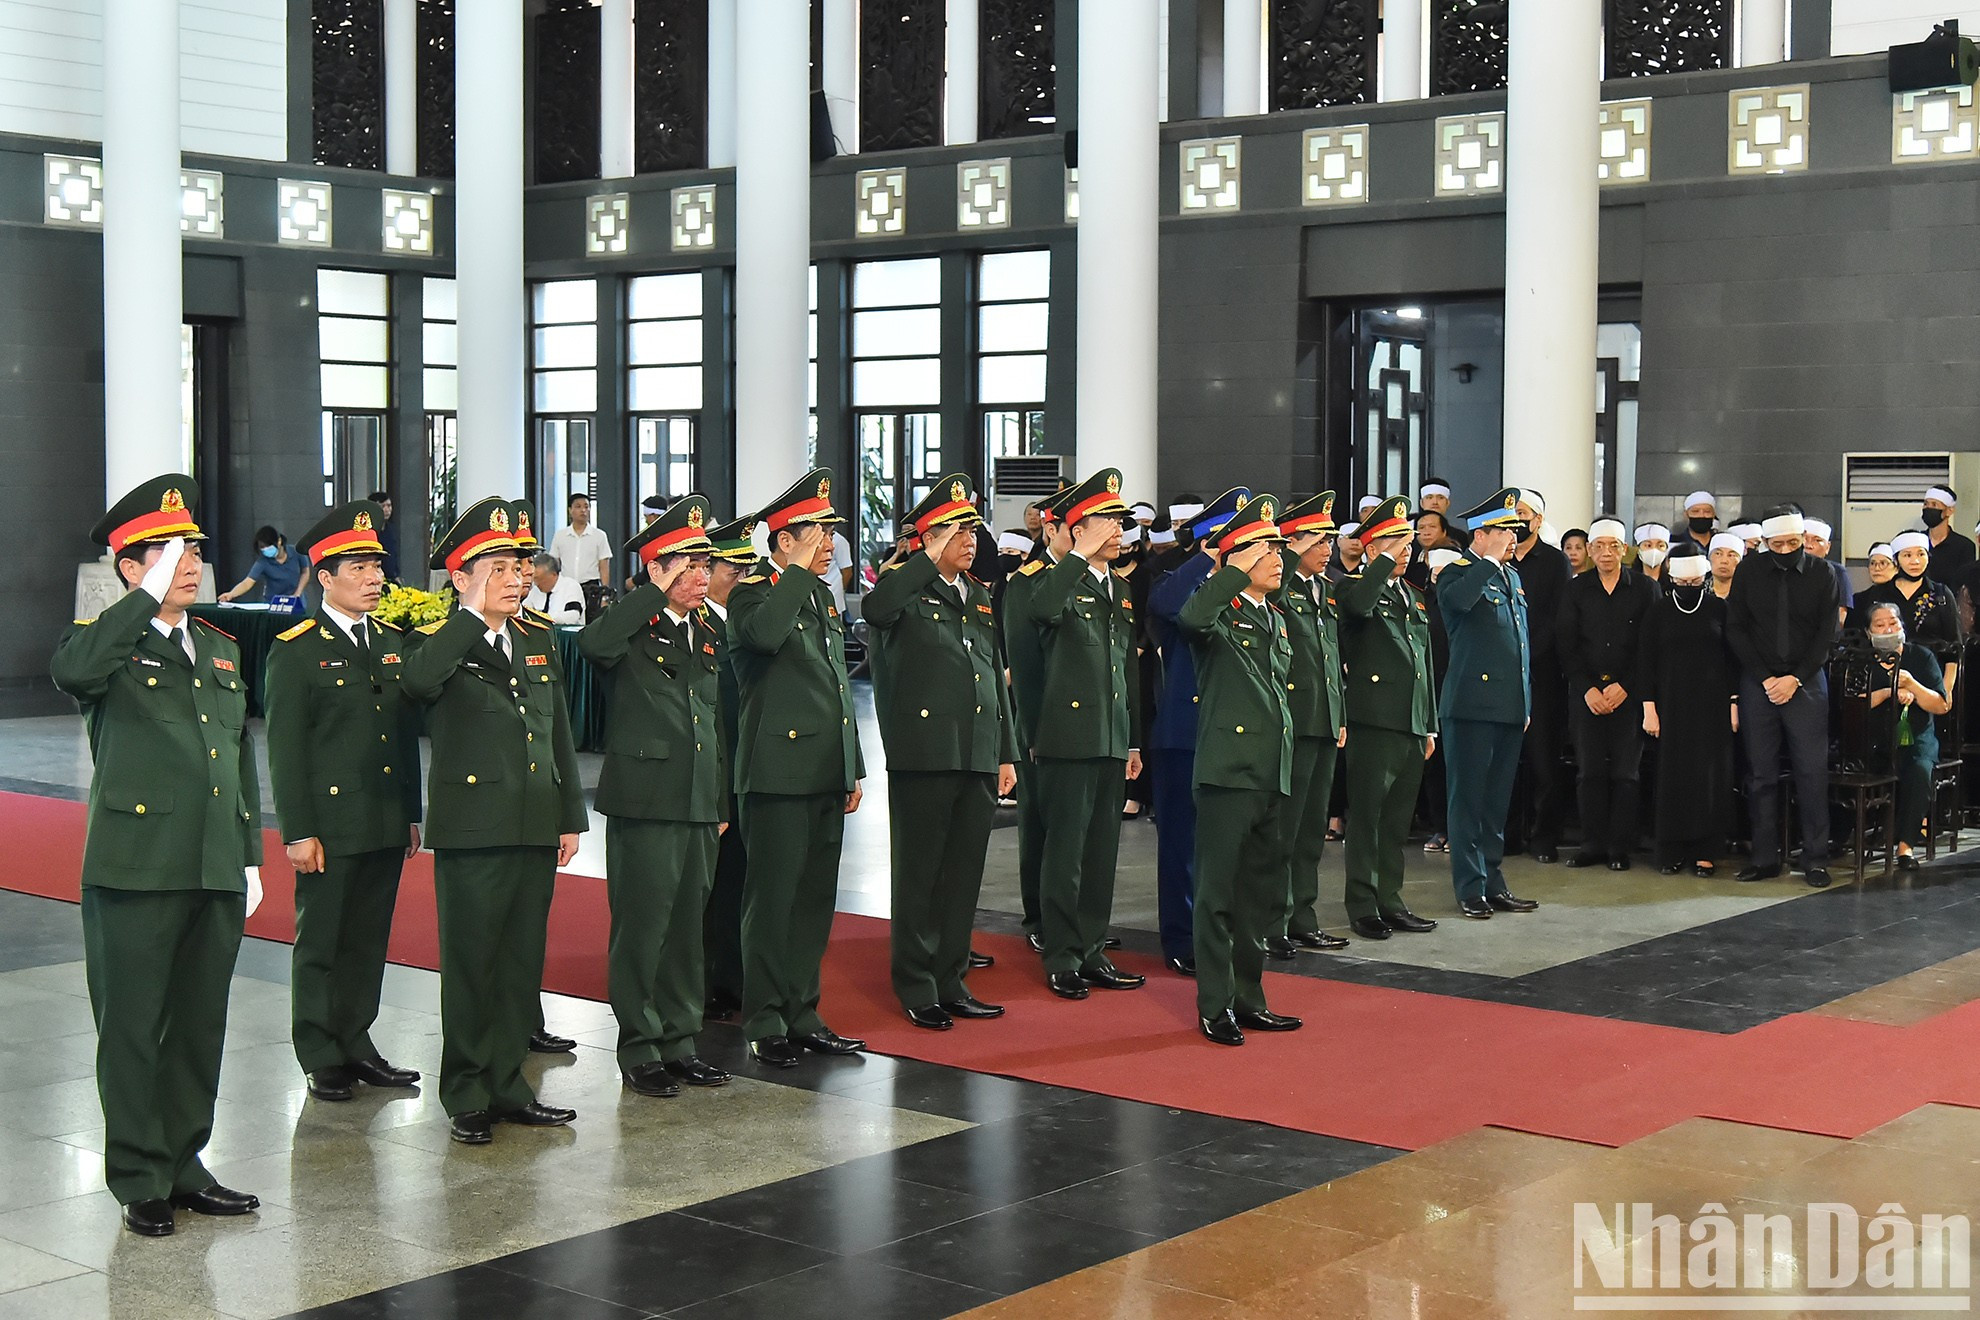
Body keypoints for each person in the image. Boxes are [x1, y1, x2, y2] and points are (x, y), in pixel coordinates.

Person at [50, 475, 263, 1238]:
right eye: (174, 553)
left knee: (198, 1024)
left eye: (197, 551)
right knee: (135, 1026)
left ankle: (185, 1161)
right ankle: (139, 1172)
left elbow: (237, 758)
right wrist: (140, 600)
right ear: (131, 568)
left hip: (212, 865)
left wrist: (248, 853)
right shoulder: (105, 643)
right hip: (136, 867)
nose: (193, 565)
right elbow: (73, 673)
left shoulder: (218, 647)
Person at [403, 498, 587, 1144]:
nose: (514, 578)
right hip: (474, 828)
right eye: (497, 567)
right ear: (460, 578)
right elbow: (417, 684)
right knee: (473, 963)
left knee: (517, 964)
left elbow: (556, 731)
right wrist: (469, 617)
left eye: (517, 566)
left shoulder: (536, 638)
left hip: (534, 821)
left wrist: (569, 815)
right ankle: (467, 1091)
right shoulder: (439, 642)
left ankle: (510, 1084)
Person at [577, 497, 736, 1097]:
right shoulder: (632, 624)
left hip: (698, 800)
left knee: (688, 928)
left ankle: (680, 1039)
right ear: (659, 568)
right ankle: (639, 1045)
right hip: (647, 799)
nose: (702, 576)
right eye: (688, 565)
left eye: (704, 564)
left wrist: (719, 800)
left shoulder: (710, 629)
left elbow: (712, 722)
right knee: (643, 927)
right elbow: (594, 646)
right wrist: (652, 588)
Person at [265, 500, 423, 1104]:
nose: (374, 577)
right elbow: (286, 748)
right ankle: (319, 1050)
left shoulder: (390, 640)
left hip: (383, 815)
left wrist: (410, 811)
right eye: (358, 566)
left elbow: (403, 735)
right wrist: (297, 830)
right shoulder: (297, 647)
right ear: (324, 577)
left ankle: (357, 1040)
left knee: (367, 937)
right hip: (330, 823)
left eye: (377, 566)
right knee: (323, 939)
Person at [862, 476, 1017, 1030]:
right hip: (924, 752)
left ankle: (951, 980)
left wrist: (1004, 751)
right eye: (955, 530)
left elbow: (992, 679)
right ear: (928, 538)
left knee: (961, 875)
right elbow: (876, 610)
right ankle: (916, 983)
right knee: (921, 874)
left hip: (974, 751)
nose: (970, 539)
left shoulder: (975, 594)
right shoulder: (904, 587)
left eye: (973, 528)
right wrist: (923, 561)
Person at [728, 469, 868, 1066]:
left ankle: (803, 1010)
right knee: (773, 897)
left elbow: (837, 683)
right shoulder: (754, 592)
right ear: (783, 539)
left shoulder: (817, 594)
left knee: (814, 899)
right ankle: (764, 1017)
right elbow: (761, 639)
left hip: (822, 768)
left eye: (831, 531)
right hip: (777, 770)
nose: (829, 542)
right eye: (816, 532)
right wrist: (792, 572)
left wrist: (852, 765)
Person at [1179, 495, 1304, 1045]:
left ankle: (1250, 997)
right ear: (1237, 558)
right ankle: (1215, 1004)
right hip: (1228, 772)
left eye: (1280, 547)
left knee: (1259, 896)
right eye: (1268, 549)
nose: (1281, 557)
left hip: (1270, 770)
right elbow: (1191, 617)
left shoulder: (1273, 617)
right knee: (1218, 894)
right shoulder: (1217, 612)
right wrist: (1230, 569)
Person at [1023, 468, 1146, 999]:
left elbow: (1126, 668)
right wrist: (1075, 558)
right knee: (1065, 852)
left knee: (1100, 853)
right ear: (1076, 529)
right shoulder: (1043, 580)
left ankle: (1093, 948)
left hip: (1110, 736)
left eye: (1120, 521)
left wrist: (1133, 738)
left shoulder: (1117, 587)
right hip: (1065, 735)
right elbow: (1040, 622)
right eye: (1106, 521)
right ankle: (1062, 954)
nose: (1119, 530)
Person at [1146, 489, 1249, 976]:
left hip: (1229, 733)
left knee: (1223, 845)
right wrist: (1205, 560)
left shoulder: (1242, 589)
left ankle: (1217, 931)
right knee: (1181, 845)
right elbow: (1165, 603)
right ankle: (1181, 937)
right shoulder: (1178, 581)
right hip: (1183, 733)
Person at [1336, 497, 1439, 940]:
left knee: (1397, 821)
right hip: (1373, 720)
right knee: (1367, 816)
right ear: (1372, 549)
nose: (1407, 550)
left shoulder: (1412, 596)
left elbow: (1425, 662)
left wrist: (1429, 721)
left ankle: (1390, 898)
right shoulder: (1352, 586)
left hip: (1410, 721)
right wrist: (1379, 565)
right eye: (1396, 542)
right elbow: (1357, 608)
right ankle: (1362, 903)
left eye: (1408, 541)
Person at [1438, 489, 1541, 920]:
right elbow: (1456, 605)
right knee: (1469, 801)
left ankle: (1493, 880)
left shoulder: (1511, 578)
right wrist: (1486, 562)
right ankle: (1469, 886)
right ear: (1481, 534)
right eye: (1503, 530)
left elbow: (1519, 645)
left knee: (1497, 802)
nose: (1512, 538)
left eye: (1515, 530)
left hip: (1508, 706)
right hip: (1471, 705)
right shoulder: (1455, 572)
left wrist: (1525, 699)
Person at [1726, 505, 1839, 887]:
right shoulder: (1749, 571)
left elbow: (1827, 635)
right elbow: (1737, 628)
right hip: (1759, 683)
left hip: (1806, 682)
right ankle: (1764, 858)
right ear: (1767, 543)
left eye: (1795, 542)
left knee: (1811, 772)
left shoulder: (1824, 573)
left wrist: (1794, 677)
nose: (1788, 548)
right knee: (1761, 775)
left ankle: (1815, 858)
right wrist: (1765, 677)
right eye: (1780, 543)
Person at [1269, 492, 1351, 957]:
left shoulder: (1326, 588)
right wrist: (1289, 553)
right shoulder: (1282, 587)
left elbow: (1330, 660)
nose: (1327, 548)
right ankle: (1273, 920)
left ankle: (1303, 915)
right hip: (1293, 723)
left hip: (1322, 722)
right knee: (1284, 827)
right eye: (1318, 539)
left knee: (1311, 828)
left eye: (1329, 539)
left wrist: (1337, 716)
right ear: (1292, 542)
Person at [1557, 518, 1659, 870]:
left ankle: (1620, 848)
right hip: (1586, 696)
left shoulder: (1646, 589)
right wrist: (1586, 687)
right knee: (1589, 773)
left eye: (1612, 546)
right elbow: (1567, 645)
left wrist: (1625, 685)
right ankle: (1592, 844)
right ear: (1588, 550)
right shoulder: (1575, 589)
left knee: (1626, 774)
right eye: (1597, 546)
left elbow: (1651, 646)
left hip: (1628, 696)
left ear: (1624, 549)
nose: (1605, 553)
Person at [1639, 545, 1739, 877]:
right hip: (1670, 705)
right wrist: (1649, 709)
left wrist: (1734, 704)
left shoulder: (1719, 609)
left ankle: (1706, 851)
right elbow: (1646, 662)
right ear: (1672, 577)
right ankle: (1671, 849)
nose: (1688, 584)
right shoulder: (1658, 611)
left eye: (1694, 579)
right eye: (1683, 579)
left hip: (1712, 707)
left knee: (1710, 777)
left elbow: (1732, 660)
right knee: (1672, 775)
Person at [699, 514, 757, 1021]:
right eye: (731, 571)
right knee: (710, 885)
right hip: (712, 772)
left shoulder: (740, 620)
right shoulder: (698, 625)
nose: (740, 580)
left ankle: (732, 975)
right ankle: (707, 979)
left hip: (746, 768)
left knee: (737, 878)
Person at [1509, 492, 1573, 865]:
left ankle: (1545, 835)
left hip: (1542, 673)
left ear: (1538, 519)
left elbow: (1557, 617)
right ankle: (1510, 833)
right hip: (1504, 674)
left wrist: (1527, 653)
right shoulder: (1499, 560)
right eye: (1512, 514)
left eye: (1523, 514)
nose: (1517, 520)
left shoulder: (1553, 560)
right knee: (1508, 760)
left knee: (1544, 760)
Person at [1865, 601, 1950, 871]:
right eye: (1879, 625)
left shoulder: (1921, 657)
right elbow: (1850, 703)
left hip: (1917, 738)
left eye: (1893, 623)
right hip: (1874, 741)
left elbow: (1941, 705)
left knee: (1919, 771)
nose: (1887, 629)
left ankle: (1906, 847)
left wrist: (1913, 683)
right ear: (1869, 632)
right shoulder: (1861, 660)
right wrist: (1889, 691)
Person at [1855, 531, 1959, 697]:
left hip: (1931, 680)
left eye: (1921, 554)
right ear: (1896, 560)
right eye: (1907, 555)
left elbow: (1954, 647)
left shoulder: (1941, 594)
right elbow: (1863, 641)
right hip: (1884, 681)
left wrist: (1945, 691)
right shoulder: (1878, 594)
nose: (1915, 561)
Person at [218, 525, 307, 602]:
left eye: (268, 546)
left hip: (296, 600)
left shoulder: (296, 552)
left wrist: (297, 593)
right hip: (272, 602)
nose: (265, 549)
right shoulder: (262, 562)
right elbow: (247, 582)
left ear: (279, 541)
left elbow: (305, 572)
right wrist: (231, 594)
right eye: (262, 547)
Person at [549, 491, 613, 588]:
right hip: (566, 586)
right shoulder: (560, 535)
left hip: (591, 586)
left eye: (586, 507)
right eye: (578, 507)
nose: (583, 510)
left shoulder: (599, 535)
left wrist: (605, 593)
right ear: (570, 510)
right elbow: (554, 563)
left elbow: (604, 566)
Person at [1802, 518, 1854, 625]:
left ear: (1827, 547)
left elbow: (1840, 617)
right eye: (1805, 539)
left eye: (1817, 540)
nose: (1809, 545)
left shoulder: (1838, 572)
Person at [1921, 485, 1975, 586]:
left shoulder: (1964, 546)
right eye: (1926, 504)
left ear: (1949, 510)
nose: (1928, 508)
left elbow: (1965, 584)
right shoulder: (1917, 541)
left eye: (1934, 505)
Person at [524, 552, 587, 624]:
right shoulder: (535, 590)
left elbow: (573, 616)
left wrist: (544, 618)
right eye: (534, 579)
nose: (536, 583)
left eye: (539, 579)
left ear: (553, 574)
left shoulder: (571, 586)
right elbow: (524, 609)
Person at [368, 490, 400, 581]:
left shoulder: (391, 529)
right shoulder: (369, 532)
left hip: (391, 577)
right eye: (382, 506)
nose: (387, 510)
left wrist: (396, 575)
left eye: (389, 506)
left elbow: (394, 554)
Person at [1678, 492, 1718, 556]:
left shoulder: (1721, 541)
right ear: (1686, 515)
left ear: (1713, 515)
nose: (1701, 515)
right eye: (1695, 511)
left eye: (1707, 512)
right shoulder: (1676, 541)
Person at [1634, 523, 1671, 589]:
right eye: (1648, 545)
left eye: (1660, 546)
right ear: (1638, 549)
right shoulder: (1629, 580)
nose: (1654, 550)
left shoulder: (1672, 581)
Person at [1709, 532, 1744, 598]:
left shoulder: (1747, 591)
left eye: (1731, 555)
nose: (1724, 561)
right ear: (1709, 557)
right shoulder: (1699, 590)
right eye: (1718, 554)